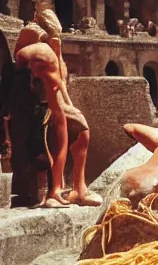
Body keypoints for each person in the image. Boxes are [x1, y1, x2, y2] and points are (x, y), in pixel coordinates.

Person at [14, 11, 99, 207]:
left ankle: (79, 188)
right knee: (53, 141)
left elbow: (60, 80)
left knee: (82, 133)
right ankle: (52, 191)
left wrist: (69, 105)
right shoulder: (33, 36)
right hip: (41, 101)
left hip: (55, 99)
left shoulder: (52, 46)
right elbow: (21, 64)